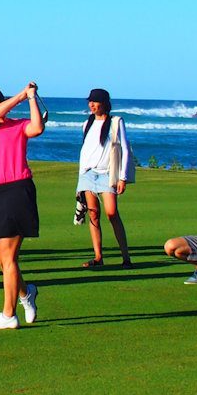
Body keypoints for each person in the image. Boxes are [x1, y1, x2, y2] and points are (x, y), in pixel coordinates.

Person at [0, 83, 43, 330]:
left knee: (10, 257)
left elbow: (37, 128)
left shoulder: (17, 124)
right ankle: (26, 293)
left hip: (18, 190)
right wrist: (22, 95)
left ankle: (9, 314)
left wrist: (31, 98)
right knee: (3, 260)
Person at [76, 89, 133, 269]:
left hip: (107, 173)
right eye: (90, 102)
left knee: (111, 213)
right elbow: (86, 150)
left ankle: (126, 257)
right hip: (87, 172)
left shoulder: (116, 122)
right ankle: (98, 256)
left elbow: (124, 148)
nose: (92, 105)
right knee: (93, 213)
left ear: (104, 103)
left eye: (95, 102)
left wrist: (122, 178)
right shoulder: (87, 123)